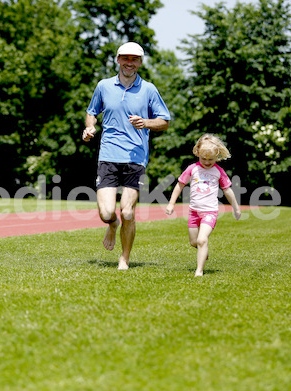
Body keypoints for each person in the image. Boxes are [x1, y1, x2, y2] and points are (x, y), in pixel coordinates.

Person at [82, 42, 171, 270]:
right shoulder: (103, 86)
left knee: (128, 211)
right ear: (118, 59)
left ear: (140, 63)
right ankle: (111, 225)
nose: (129, 63)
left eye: (134, 59)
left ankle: (124, 258)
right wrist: (90, 127)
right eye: (125, 58)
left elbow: (165, 121)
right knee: (106, 212)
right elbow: (92, 111)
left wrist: (146, 123)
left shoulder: (148, 89)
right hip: (108, 155)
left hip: (136, 158)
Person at [165, 134, 241, 277]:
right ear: (197, 153)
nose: (207, 162)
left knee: (202, 239)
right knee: (194, 242)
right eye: (203, 158)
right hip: (194, 212)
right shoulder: (192, 169)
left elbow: (228, 191)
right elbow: (179, 185)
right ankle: (203, 249)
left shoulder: (218, 171)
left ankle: (199, 271)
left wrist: (236, 208)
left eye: (210, 159)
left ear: (217, 156)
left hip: (210, 212)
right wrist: (171, 204)